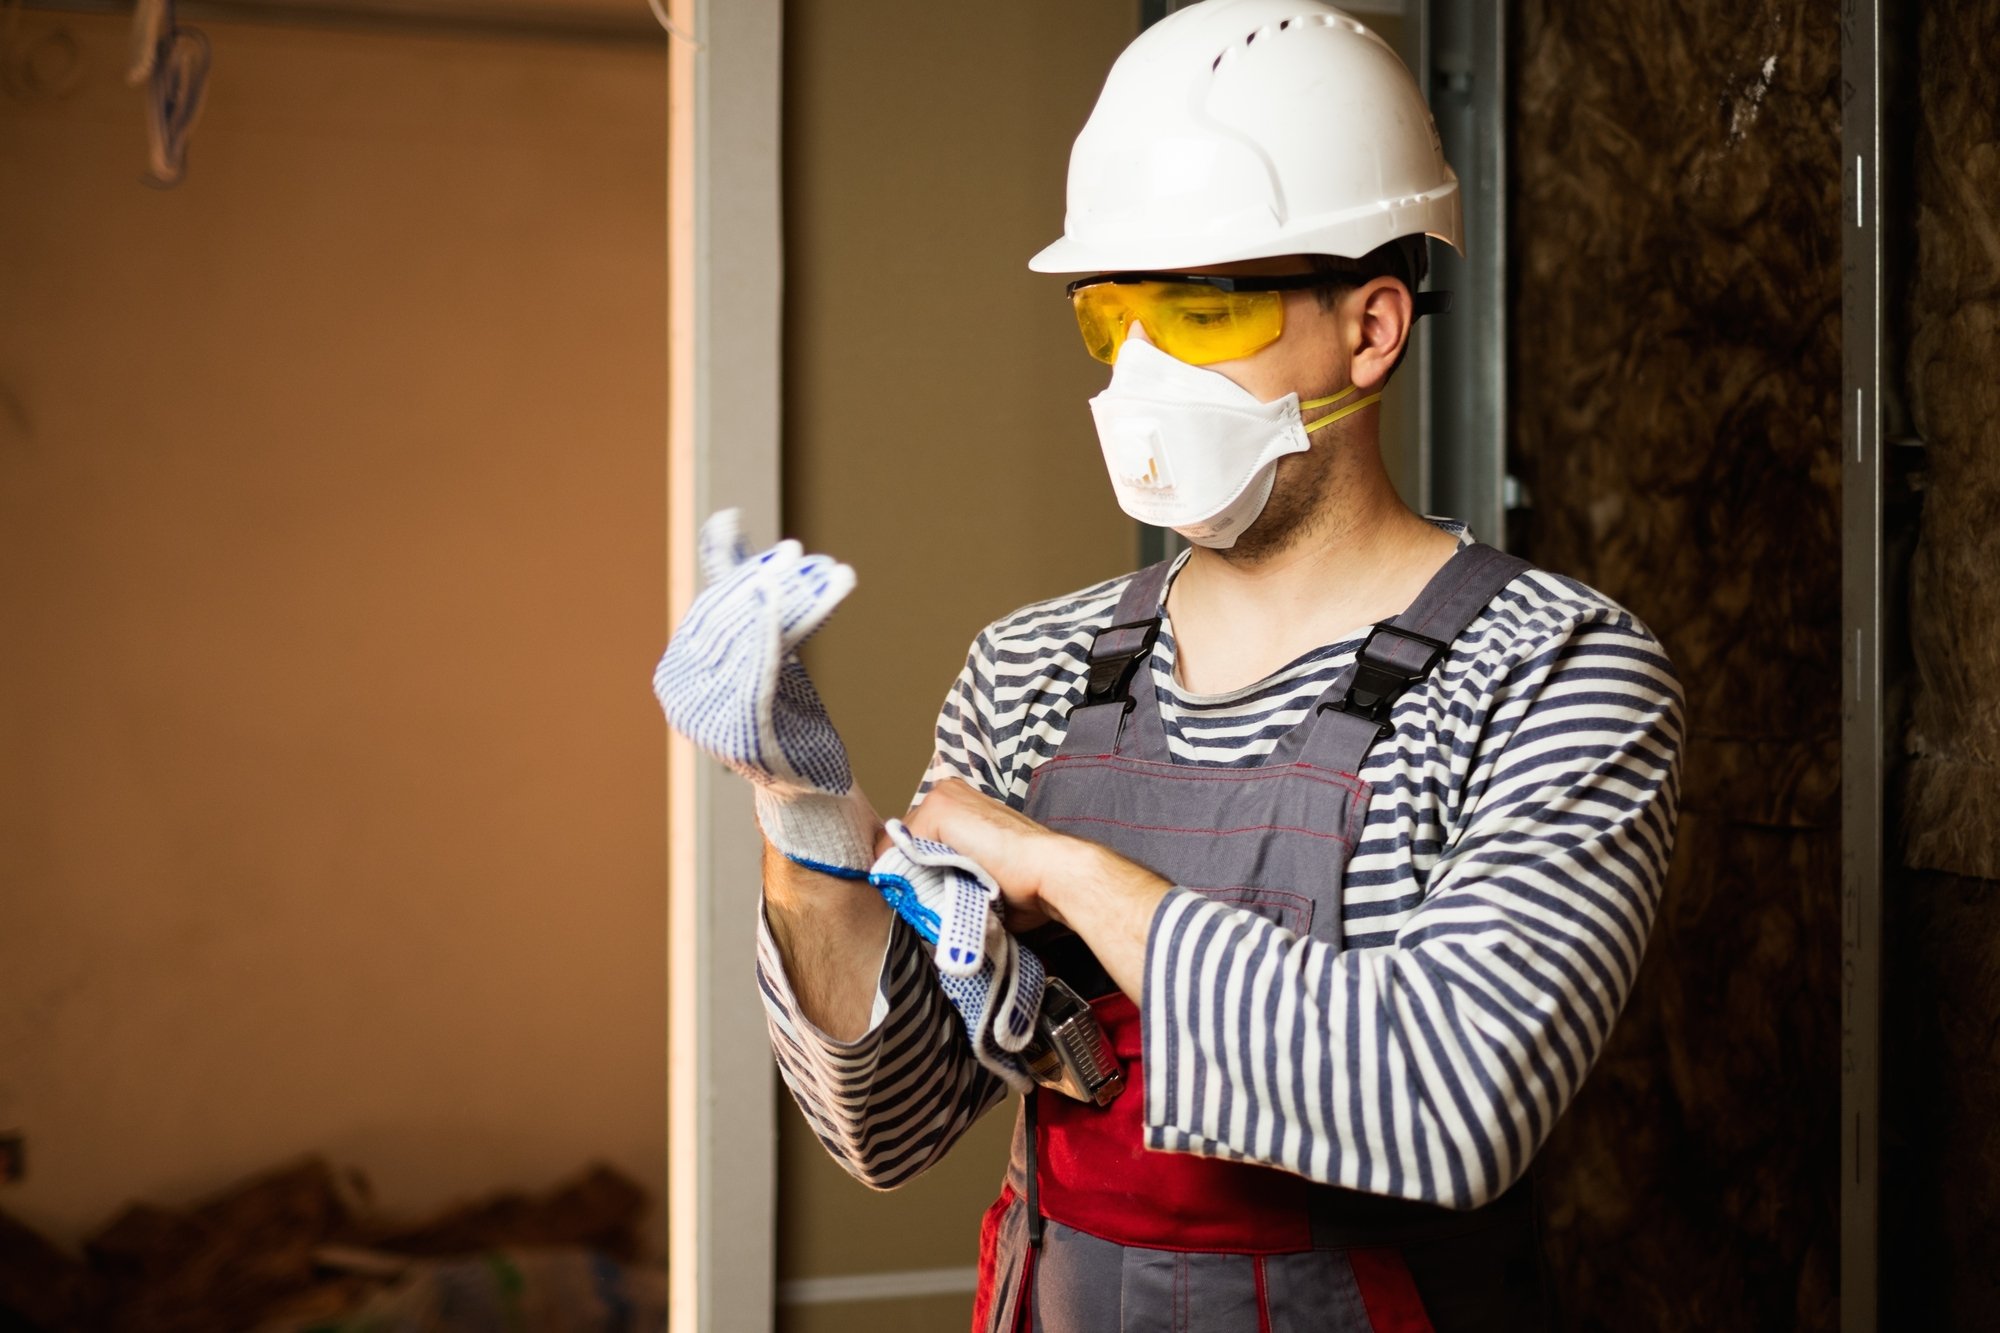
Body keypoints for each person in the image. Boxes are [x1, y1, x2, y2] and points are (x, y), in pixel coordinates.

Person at [654, 1, 1683, 1328]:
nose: (1141, 372)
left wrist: (1076, 875)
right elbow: (894, 1117)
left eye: (1199, 313)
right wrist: (800, 817)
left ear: (1372, 328)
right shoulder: (1033, 666)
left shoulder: (1550, 675)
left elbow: (1449, 1102)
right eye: (1111, 319)